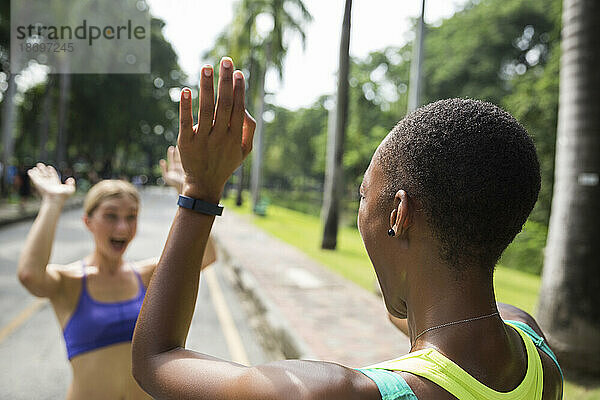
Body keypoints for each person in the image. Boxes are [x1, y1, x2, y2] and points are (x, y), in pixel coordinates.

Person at [132, 57, 563, 399]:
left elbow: (156, 359)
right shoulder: (538, 355)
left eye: (363, 196)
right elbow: (447, 318)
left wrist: (201, 191)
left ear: (398, 215)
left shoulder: (330, 393)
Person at [17, 155, 216, 400]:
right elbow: (30, 275)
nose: (122, 228)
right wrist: (53, 202)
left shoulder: (146, 276)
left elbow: (205, 255)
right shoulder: (70, 282)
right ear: (88, 222)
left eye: (131, 216)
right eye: (111, 216)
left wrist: (187, 190)